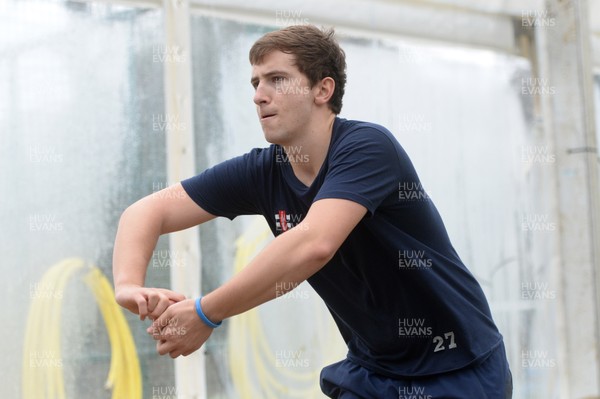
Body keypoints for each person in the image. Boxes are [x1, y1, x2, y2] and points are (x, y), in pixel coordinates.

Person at [113, 24, 512, 398]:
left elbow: (314, 244)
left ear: (323, 90)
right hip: (373, 372)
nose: (258, 94)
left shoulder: (368, 148)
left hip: (458, 368)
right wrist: (128, 285)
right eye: (255, 83)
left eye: (276, 79)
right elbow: (146, 212)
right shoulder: (261, 171)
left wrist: (205, 312)